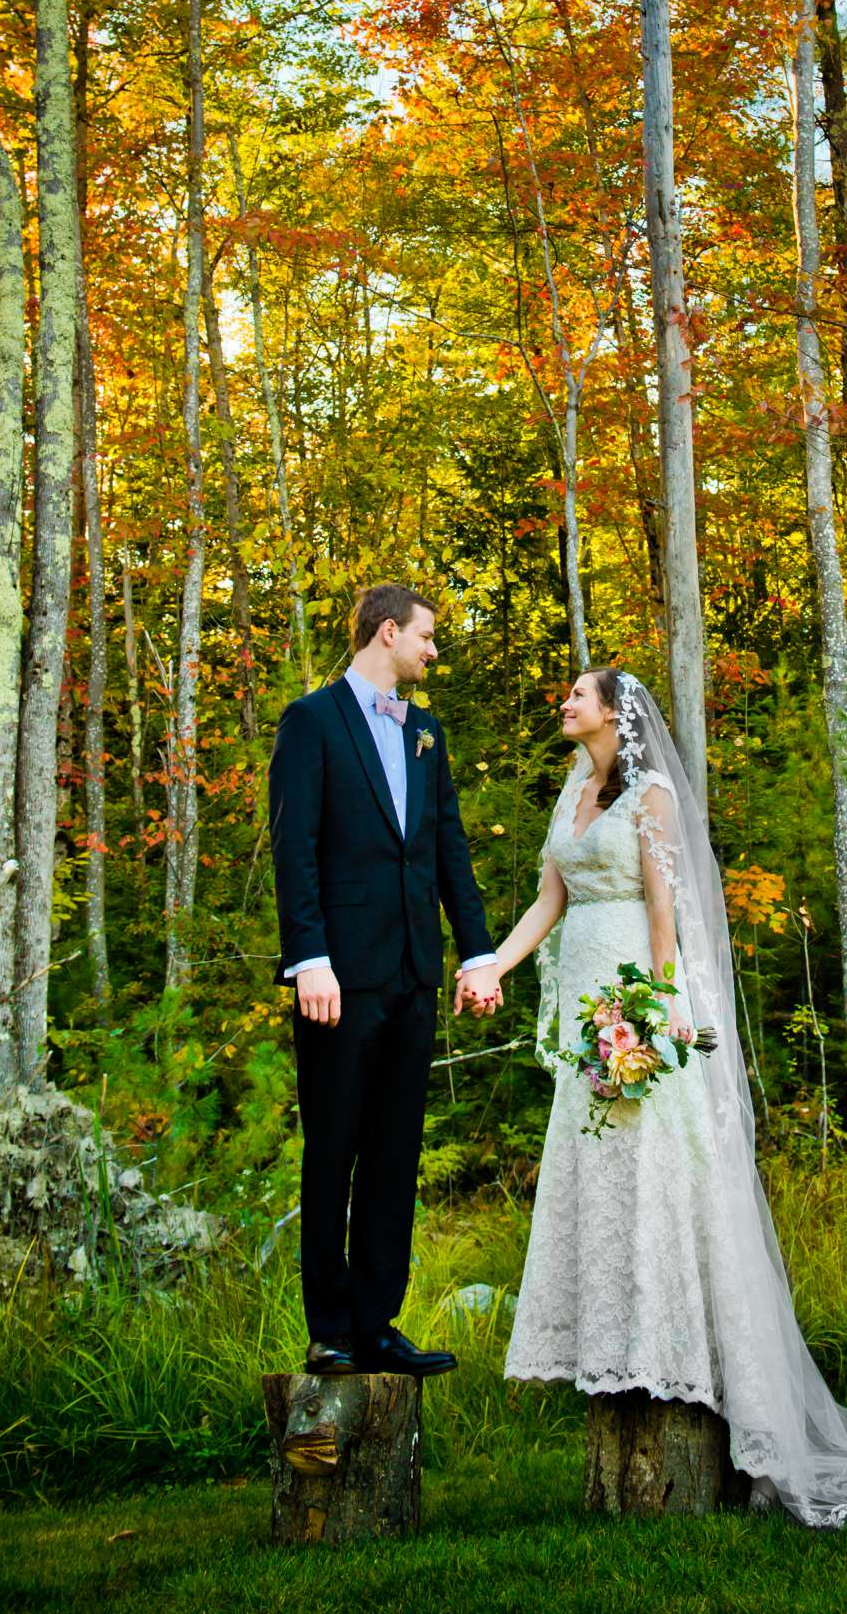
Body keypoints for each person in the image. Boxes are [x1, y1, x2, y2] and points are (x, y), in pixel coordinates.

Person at [477, 666, 847, 1526]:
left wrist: (649, 1017)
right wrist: (490, 966)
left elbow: (665, 921)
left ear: (614, 713)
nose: (564, 704)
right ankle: (616, 1340)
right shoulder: (571, 792)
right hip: (584, 1010)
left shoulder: (650, 798)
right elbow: (547, 901)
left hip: (633, 1006)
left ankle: (675, 1349)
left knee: (656, 1173)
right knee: (601, 1173)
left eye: (577, 694)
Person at [269, 582, 501, 1378]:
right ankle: (330, 1329)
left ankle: (376, 1323)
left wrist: (475, 955)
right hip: (336, 976)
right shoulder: (311, 720)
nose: (433, 652)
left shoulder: (426, 732)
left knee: (396, 1154)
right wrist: (310, 959)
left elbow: (447, 852)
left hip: (412, 973)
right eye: (427, 638)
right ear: (389, 633)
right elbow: (293, 848)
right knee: (332, 1151)